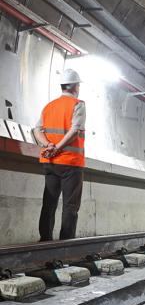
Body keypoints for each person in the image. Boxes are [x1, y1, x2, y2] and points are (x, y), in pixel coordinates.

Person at [33, 69, 86, 241]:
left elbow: (36, 129)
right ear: (75, 87)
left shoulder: (49, 106)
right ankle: (66, 243)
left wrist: (47, 145)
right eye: (78, 85)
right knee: (70, 205)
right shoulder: (78, 104)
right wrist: (57, 147)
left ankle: (45, 240)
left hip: (50, 162)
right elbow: (75, 130)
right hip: (70, 163)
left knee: (49, 203)